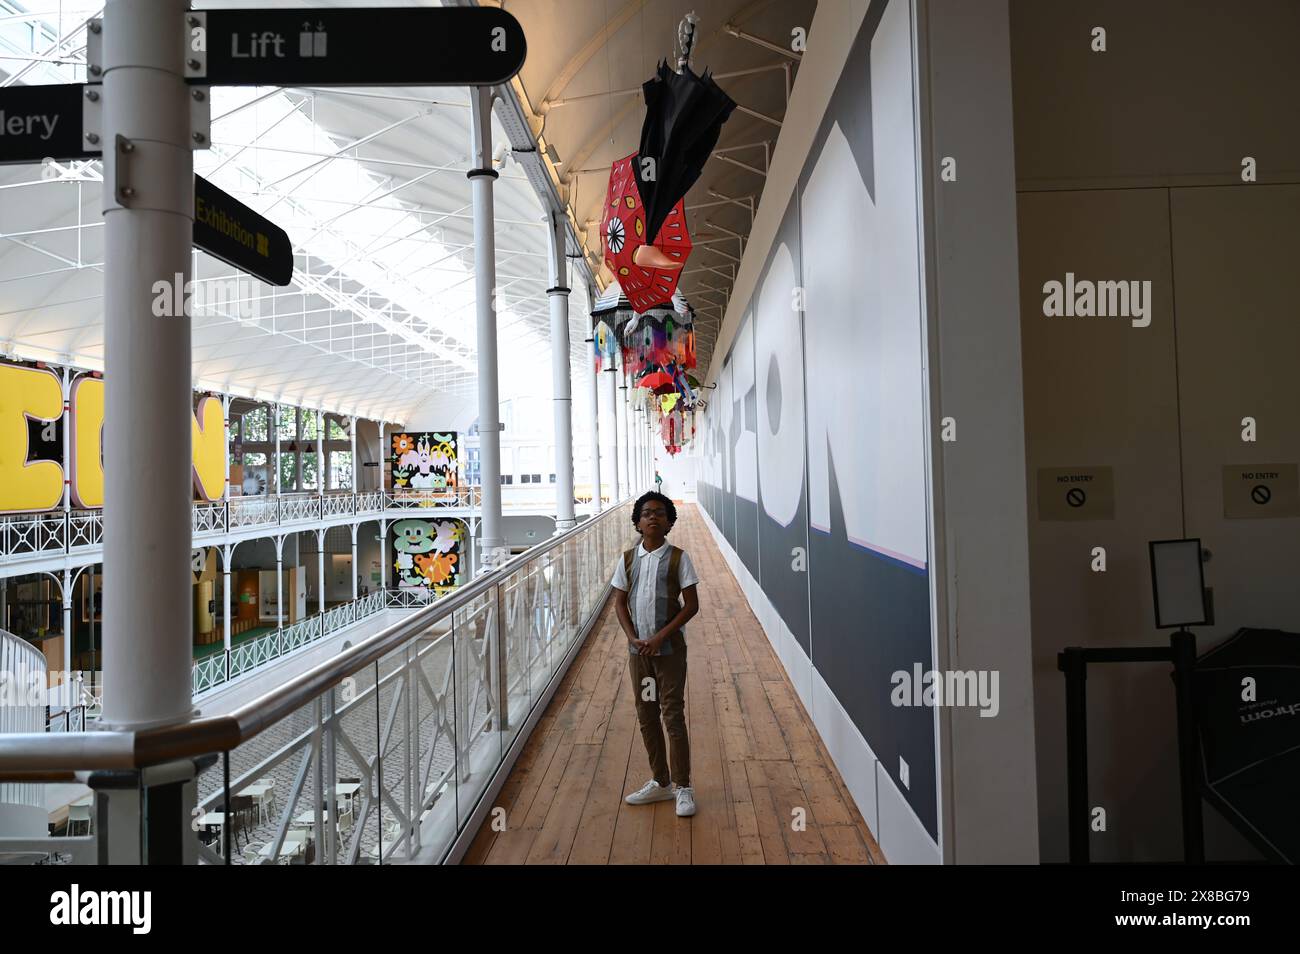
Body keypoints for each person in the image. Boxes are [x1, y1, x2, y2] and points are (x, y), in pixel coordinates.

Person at [611, 491, 700, 817]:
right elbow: (620, 602)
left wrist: (660, 636)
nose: (653, 517)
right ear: (637, 522)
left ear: (669, 522)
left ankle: (683, 786)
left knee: (672, 715)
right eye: (647, 513)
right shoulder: (628, 560)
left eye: (660, 513)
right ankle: (660, 781)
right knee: (647, 714)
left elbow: (691, 605)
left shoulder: (679, 558)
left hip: (670, 653)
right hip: (641, 657)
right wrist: (634, 639)